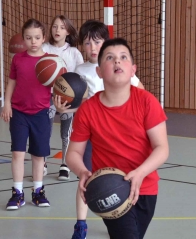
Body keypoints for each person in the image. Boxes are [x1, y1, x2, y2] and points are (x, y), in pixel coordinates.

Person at [66, 37, 169, 239]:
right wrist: (82, 171)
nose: (117, 62)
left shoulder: (147, 102)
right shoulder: (88, 110)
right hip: (110, 190)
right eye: (110, 58)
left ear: (133, 70)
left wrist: (140, 173)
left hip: (145, 188)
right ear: (98, 71)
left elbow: (162, 148)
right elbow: (74, 153)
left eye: (123, 57)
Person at [53, 20, 144, 239]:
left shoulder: (117, 66)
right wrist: (61, 108)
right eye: (87, 43)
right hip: (90, 136)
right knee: (85, 179)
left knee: (119, 178)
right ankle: (81, 224)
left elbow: (141, 92)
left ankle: (119, 216)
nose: (92, 48)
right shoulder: (78, 71)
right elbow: (72, 105)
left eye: (97, 42)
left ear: (105, 42)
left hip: (118, 135)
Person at [1, 18, 51, 210]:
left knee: (39, 156)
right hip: (19, 113)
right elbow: (12, 82)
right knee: (18, 153)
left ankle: (38, 192)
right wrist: (7, 104)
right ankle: (18, 193)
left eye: (37, 37)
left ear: (43, 38)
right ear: (23, 38)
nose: (33, 41)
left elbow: (57, 85)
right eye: (29, 38)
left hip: (41, 113)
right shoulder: (18, 59)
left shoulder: (50, 62)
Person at [42, 15, 84, 180]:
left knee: (66, 133)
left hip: (67, 99)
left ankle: (65, 164)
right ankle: (42, 162)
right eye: (54, 26)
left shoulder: (74, 53)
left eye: (61, 27)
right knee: (45, 131)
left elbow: (81, 78)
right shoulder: (44, 48)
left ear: (68, 31)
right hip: (47, 97)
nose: (57, 30)